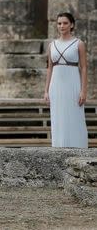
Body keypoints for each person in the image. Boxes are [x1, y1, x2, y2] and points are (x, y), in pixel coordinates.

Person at [44, 12, 88, 148]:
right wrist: (46, 91)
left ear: (71, 25)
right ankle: (59, 148)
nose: (62, 26)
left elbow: (84, 68)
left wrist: (83, 91)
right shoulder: (52, 45)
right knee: (58, 119)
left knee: (75, 117)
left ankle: (78, 149)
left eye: (65, 23)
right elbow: (50, 68)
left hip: (73, 85)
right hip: (56, 86)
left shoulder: (78, 44)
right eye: (59, 23)